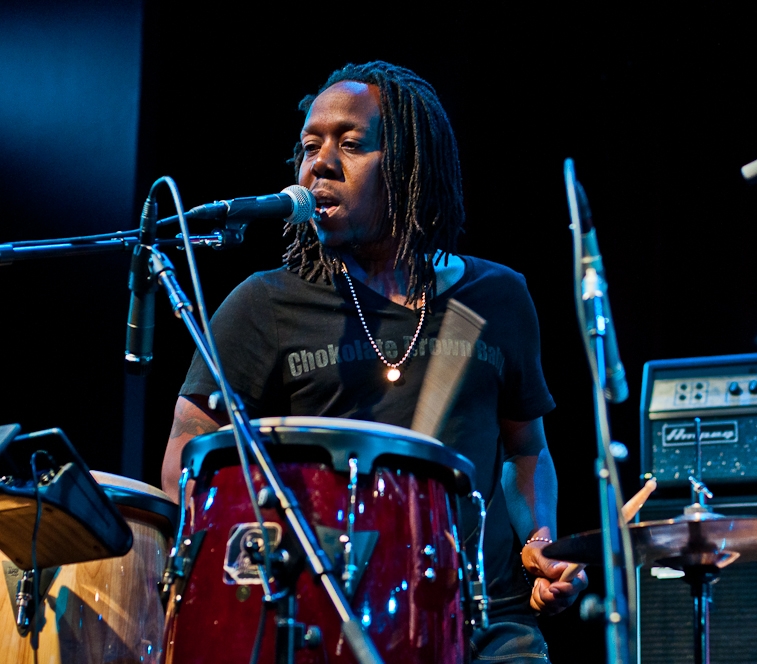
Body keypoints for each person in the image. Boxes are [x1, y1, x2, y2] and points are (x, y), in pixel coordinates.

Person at [160, 61, 586, 662]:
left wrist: (540, 542)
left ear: (410, 166)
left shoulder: (500, 298)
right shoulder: (265, 304)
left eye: (351, 144)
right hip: (326, 624)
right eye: (310, 146)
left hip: (489, 626)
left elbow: (526, 450)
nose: (321, 163)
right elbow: (190, 451)